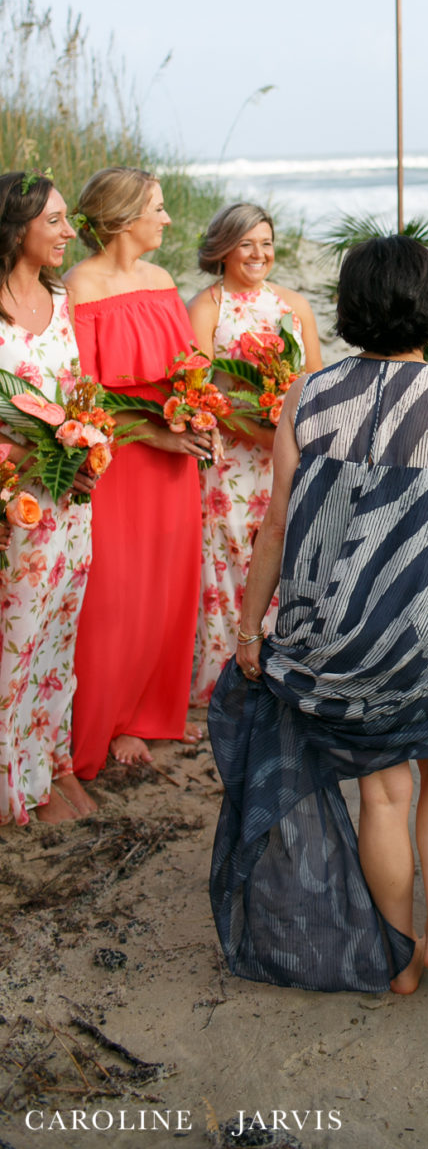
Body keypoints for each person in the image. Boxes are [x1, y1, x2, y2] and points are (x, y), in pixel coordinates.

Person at [209, 235, 428, 995]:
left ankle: (397, 955)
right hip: (424, 644)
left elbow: (276, 525)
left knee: (382, 791)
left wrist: (250, 630)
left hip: (329, 644)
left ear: (351, 307)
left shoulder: (307, 395)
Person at [66, 168, 210, 779]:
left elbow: (187, 372)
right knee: (112, 595)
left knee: (166, 586)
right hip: (119, 460)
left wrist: (199, 418)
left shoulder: (161, 280)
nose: (168, 218)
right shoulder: (79, 287)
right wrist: (156, 434)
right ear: (126, 218)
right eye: (158, 208)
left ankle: (144, 713)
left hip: (172, 464)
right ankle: (101, 718)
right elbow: (84, 397)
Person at [186, 203, 323, 705]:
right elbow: (198, 395)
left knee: (286, 558)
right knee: (228, 564)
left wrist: (287, 436)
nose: (259, 253)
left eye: (266, 243)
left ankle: (281, 674)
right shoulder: (207, 307)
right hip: (231, 463)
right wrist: (258, 429)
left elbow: (315, 384)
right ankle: (223, 684)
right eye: (246, 243)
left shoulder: (294, 305)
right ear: (223, 249)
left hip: (287, 461)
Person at [0, 173, 97, 824]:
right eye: (55, 221)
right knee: (15, 636)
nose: (69, 232)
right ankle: (11, 780)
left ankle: (49, 764)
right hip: (14, 500)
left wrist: (87, 450)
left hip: (68, 499)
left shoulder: (62, 298)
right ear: (17, 229)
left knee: (59, 631)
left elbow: (76, 394)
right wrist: (27, 461)